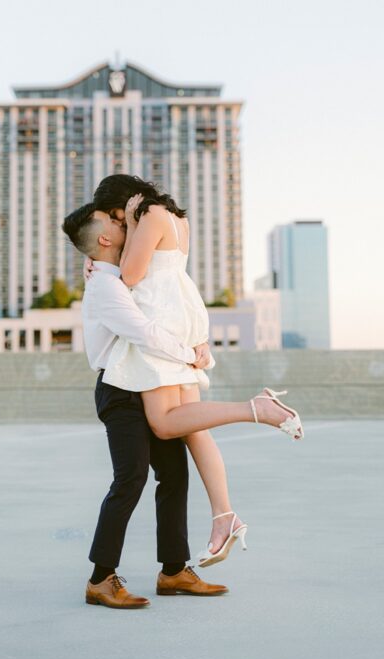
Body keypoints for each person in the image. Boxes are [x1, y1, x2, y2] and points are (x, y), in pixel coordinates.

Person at [90, 174, 302, 566]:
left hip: (159, 321)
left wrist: (105, 264)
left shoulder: (148, 215)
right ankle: (225, 517)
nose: (117, 226)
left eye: (115, 217)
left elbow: (134, 277)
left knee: (164, 422)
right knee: (193, 430)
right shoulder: (175, 217)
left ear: (124, 205)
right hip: (182, 316)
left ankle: (253, 408)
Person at [61, 204, 225, 608]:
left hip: (147, 381)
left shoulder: (124, 274)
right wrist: (190, 353)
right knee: (130, 479)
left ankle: (173, 571)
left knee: (173, 476)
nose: (124, 223)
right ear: (103, 239)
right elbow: (145, 332)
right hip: (119, 390)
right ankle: (100, 578)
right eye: (115, 222)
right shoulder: (104, 285)